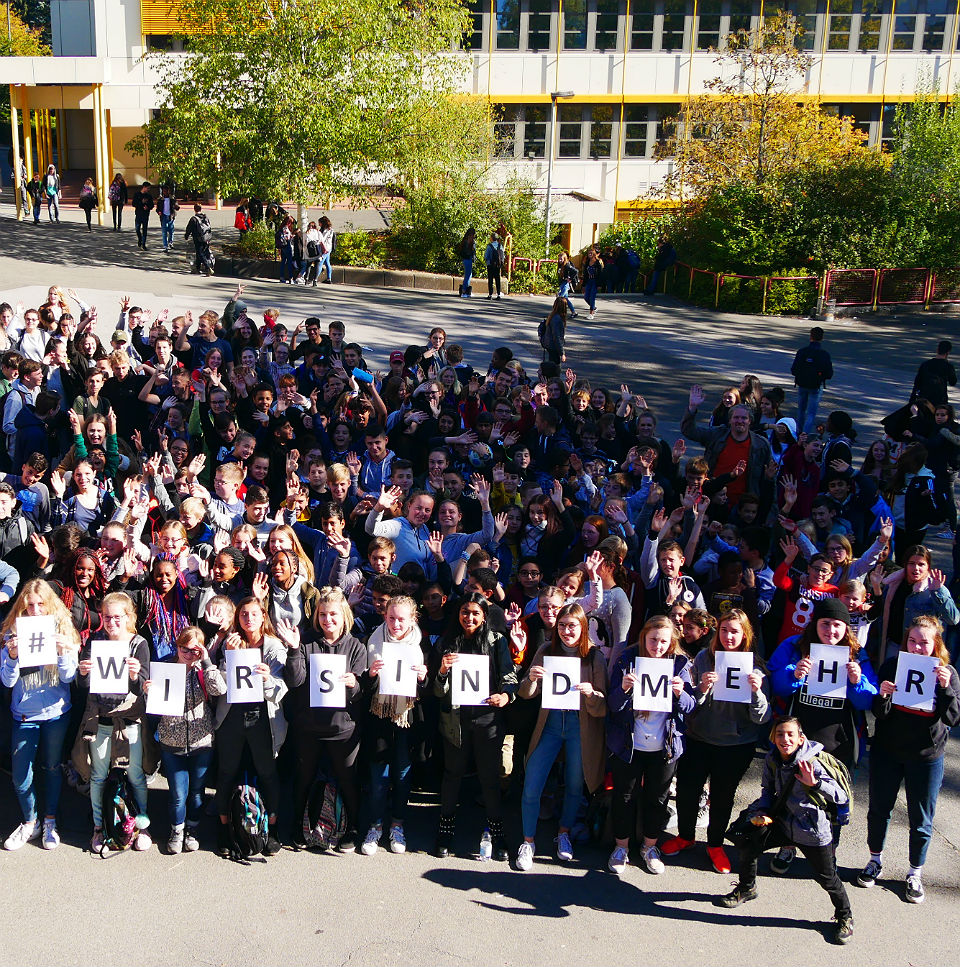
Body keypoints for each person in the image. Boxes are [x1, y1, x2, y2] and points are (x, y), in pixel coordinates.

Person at [718, 716, 854, 946]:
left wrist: (815, 784)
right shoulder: (772, 759)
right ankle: (747, 888)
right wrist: (762, 811)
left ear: (801, 739)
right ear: (773, 737)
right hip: (781, 822)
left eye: (790, 734)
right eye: (780, 734)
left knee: (827, 878)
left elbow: (841, 796)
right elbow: (767, 790)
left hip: (812, 830)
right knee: (749, 846)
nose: (785, 739)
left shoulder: (812, 763)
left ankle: (845, 917)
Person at [858, 615, 960, 903]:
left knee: (922, 818)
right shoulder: (893, 666)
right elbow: (880, 712)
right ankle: (875, 860)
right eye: (912, 641)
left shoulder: (947, 672)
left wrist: (946, 689)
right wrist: (883, 695)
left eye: (924, 643)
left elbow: (954, 717)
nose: (917, 648)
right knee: (880, 809)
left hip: (926, 756)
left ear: (935, 644)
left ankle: (915, 873)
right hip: (888, 751)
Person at [662, 608, 770, 874]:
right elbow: (688, 705)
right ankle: (686, 836)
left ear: (745, 634)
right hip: (699, 737)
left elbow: (762, 718)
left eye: (734, 631)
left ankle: (715, 844)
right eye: (724, 630)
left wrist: (756, 692)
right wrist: (701, 689)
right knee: (688, 791)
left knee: (722, 797)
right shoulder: (703, 657)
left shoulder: (755, 666)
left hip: (735, 745)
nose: (729, 636)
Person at [513, 603, 608, 870]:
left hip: (580, 728)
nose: (567, 631)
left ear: (583, 628)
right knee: (532, 784)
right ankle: (528, 841)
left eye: (573, 626)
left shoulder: (594, 657)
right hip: (551, 726)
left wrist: (591, 693)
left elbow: (603, 706)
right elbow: (526, 693)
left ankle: (564, 833)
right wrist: (531, 678)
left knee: (575, 785)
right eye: (563, 625)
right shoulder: (546, 650)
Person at [605, 615, 693, 876]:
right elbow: (612, 704)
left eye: (664, 641)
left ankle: (649, 847)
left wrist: (680, 694)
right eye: (653, 639)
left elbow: (690, 707)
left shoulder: (680, 664)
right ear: (643, 637)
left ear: (671, 641)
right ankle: (621, 848)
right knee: (624, 796)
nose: (658, 645)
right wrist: (623, 689)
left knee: (658, 798)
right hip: (628, 743)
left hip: (664, 745)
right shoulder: (627, 659)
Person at [433, 592, 517, 859]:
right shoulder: (448, 642)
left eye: (475, 613)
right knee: (452, 774)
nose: (469, 618)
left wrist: (505, 696)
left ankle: (497, 832)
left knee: (489, 777)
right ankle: (445, 829)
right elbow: (436, 691)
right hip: (456, 718)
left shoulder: (496, 642)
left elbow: (510, 675)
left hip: (487, 718)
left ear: (484, 617)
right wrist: (443, 671)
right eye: (465, 612)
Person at [282, 585, 366, 851]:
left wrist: (354, 683)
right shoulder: (306, 642)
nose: (327, 620)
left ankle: (352, 827)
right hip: (309, 727)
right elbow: (294, 682)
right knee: (303, 778)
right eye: (322, 615)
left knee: (348, 779)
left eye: (333, 615)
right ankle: (298, 825)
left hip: (342, 728)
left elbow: (360, 694)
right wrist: (295, 650)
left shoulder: (356, 646)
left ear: (344, 616)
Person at [0, 580, 81, 851]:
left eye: (40, 604)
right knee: (21, 774)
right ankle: (29, 821)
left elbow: (70, 677)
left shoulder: (63, 630)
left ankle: (49, 821)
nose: (35, 610)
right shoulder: (14, 632)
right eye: (29, 604)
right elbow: (7, 681)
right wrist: (12, 656)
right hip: (24, 713)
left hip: (56, 712)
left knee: (51, 767)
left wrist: (62, 652)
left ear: (50, 604)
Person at [75, 592, 153, 852]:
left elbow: (144, 684)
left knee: (135, 774)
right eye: (107, 617)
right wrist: (83, 673)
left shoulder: (138, 643)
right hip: (100, 717)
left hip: (129, 717)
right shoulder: (96, 641)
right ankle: (100, 827)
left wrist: (134, 675)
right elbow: (83, 684)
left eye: (117, 617)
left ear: (128, 617)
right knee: (98, 775)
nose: (111, 622)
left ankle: (142, 825)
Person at [213, 597, 287, 857]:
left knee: (268, 772)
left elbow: (281, 689)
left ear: (263, 616)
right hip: (232, 714)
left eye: (254, 614)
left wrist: (268, 679)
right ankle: (224, 830)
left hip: (261, 716)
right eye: (243, 614)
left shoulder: (274, 647)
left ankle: (273, 829)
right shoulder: (231, 642)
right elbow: (218, 684)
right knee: (226, 771)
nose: (248, 619)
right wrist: (228, 655)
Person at [359, 595, 429, 855]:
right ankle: (375, 826)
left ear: (413, 619)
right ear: (384, 617)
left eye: (401, 619)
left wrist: (423, 678)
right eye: (391, 618)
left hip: (406, 719)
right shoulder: (374, 642)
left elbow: (430, 692)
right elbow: (363, 688)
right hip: (379, 718)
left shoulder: (420, 646)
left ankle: (397, 825)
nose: (395, 624)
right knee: (378, 779)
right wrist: (372, 676)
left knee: (401, 776)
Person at [148, 626, 226, 854]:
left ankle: (192, 829)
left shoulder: (203, 670)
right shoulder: (166, 670)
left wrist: (207, 662)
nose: (189, 654)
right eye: (185, 649)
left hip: (202, 742)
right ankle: (177, 830)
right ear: (177, 647)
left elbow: (220, 689)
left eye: (195, 650)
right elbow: (153, 706)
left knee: (197, 792)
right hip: (172, 741)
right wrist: (148, 691)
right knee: (178, 794)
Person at [791, 326, 834, 436]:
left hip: (802, 383)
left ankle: (798, 432)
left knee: (801, 410)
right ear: (822, 338)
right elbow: (829, 373)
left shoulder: (802, 352)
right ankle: (805, 433)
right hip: (816, 385)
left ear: (811, 336)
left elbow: (794, 369)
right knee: (811, 412)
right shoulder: (824, 354)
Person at [912, 340, 956, 407]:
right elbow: (953, 382)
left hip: (924, 399)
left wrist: (912, 399)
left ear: (937, 350)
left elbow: (917, 383)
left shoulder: (925, 364)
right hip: (940, 400)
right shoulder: (948, 367)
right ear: (948, 352)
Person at [184, 204, 214, 276]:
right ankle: (197, 268)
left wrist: (186, 236)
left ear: (194, 209)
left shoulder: (194, 219)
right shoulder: (205, 217)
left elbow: (189, 228)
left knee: (200, 253)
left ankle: (208, 268)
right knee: (199, 253)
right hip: (206, 237)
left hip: (198, 238)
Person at [540, 298, 567, 366]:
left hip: (548, 344)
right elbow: (557, 337)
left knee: (550, 365)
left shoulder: (552, 316)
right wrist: (562, 353)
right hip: (553, 346)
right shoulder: (558, 319)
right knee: (555, 367)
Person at [157, 186, 180, 254]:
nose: (165, 192)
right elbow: (157, 208)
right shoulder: (160, 199)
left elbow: (177, 206)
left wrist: (176, 207)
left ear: (168, 191)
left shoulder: (172, 198)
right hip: (163, 216)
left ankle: (170, 242)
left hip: (171, 216)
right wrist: (159, 212)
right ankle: (165, 246)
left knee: (171, 231)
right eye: (164, 191)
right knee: (164, 231)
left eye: (166, 191)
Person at [484, 232, 505, 300]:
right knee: (497, 279)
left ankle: (490, 295)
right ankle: (498, 294)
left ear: (491, 238)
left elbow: (486, 256)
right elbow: (503, 256)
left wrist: (488, 263)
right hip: (498, 265)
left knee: (490, 279)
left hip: (491, 265)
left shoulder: (489, 246)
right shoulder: (500, 245)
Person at [133, 183, 155, 250]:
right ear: (144, 187)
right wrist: (141, 203)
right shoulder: (137, 195)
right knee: (137, 228)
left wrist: (148, 207)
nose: (148, 190)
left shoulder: (149, 196)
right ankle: (140, 238)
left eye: (149, 188)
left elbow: (152, 205)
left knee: (144, 229)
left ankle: (143, 244)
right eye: (147, 188)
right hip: (138, 214)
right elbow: (134, 204)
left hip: (145, 214)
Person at [458, 227, 476, 297]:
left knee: (469, 274)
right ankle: (464, 290)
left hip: (466, 259)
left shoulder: (465, 241)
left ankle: (465, 289)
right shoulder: (469, 241)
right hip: (468, 259)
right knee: (468, 275)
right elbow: (471, 251)